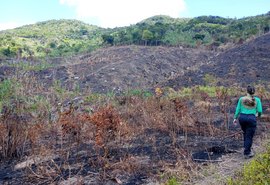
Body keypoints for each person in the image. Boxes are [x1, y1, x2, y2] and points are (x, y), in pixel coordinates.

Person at [233, 85, 263, 159]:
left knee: (245, 133)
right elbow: (260, 111)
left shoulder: (241, 99)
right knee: (249, 135)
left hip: (242, 118)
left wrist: (235, 118)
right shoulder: (257, 100)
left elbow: (238, 109)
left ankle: (246, 147)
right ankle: (247, 152)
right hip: (251, 118)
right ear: (254, 92)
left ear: (247, 91)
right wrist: (258, 115)